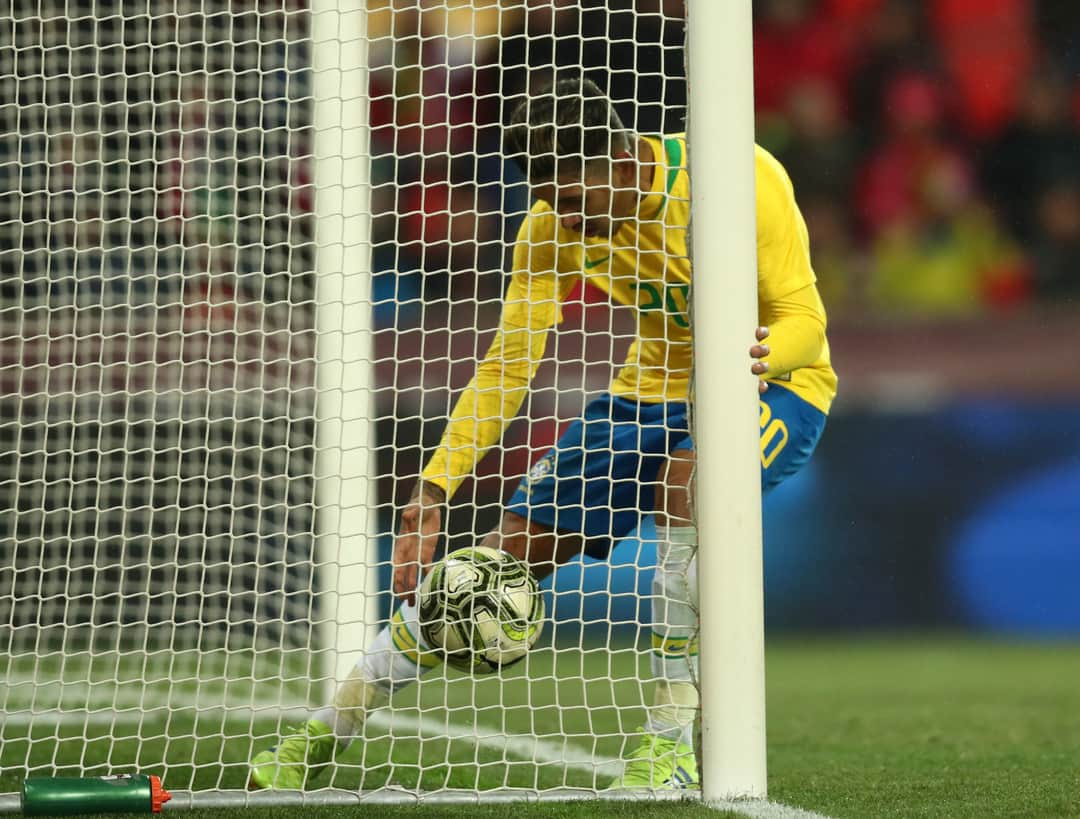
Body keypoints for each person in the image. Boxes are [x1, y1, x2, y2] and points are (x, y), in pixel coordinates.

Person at [249, 75, 837, 792]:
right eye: (552, 202)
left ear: (622, 163)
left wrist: (753, 359)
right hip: (645, 394)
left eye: (578, 200)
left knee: (689, 482)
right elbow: (507, 367)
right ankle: (327, 730)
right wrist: (434, 486)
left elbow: (805, 320)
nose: (569, 219)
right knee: (485, 571)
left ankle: (667, 741)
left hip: (779, 385)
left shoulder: (740, 176)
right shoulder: (551, 228)